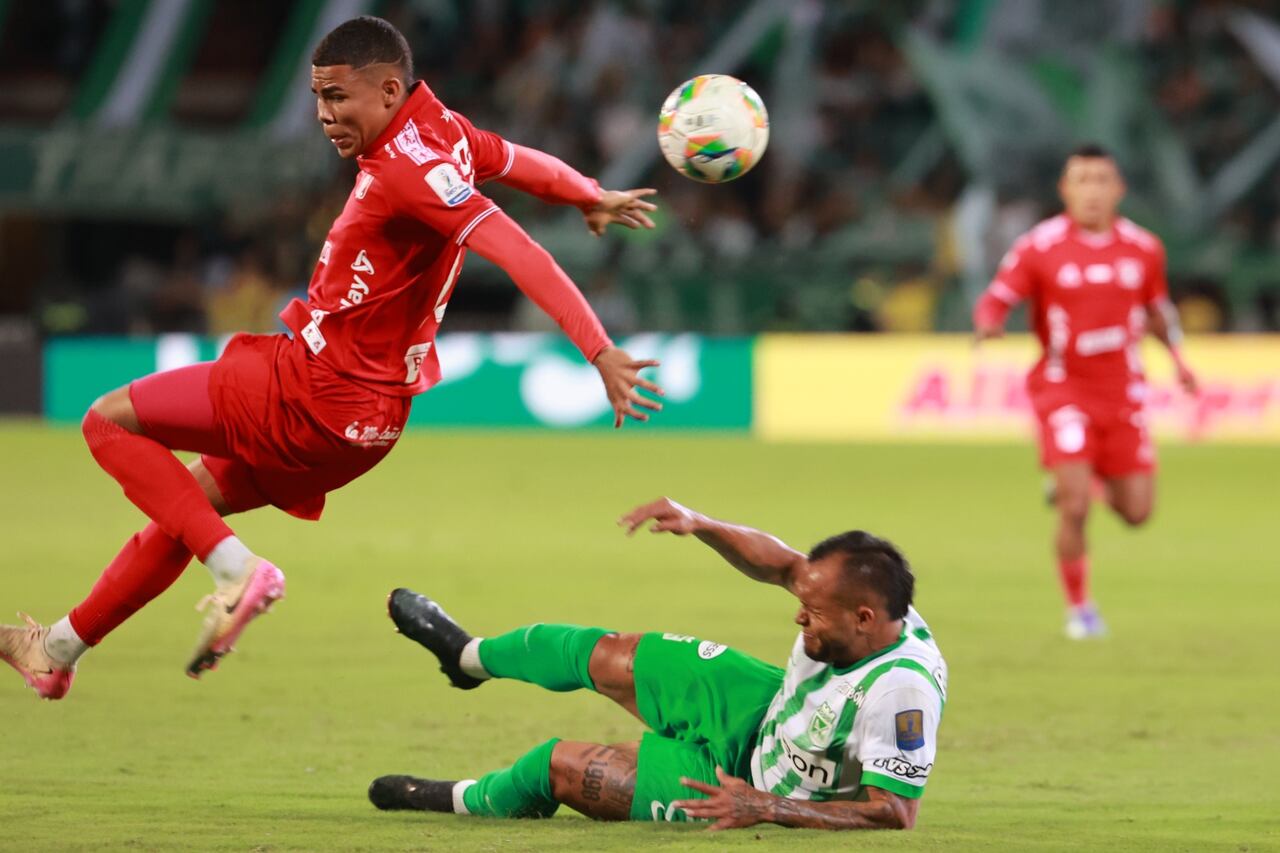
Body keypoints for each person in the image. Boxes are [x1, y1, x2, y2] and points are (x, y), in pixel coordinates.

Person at [0, 16, 665, 700]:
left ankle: (236, 572)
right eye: (318, 99)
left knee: (107, 422)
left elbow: (518, 249)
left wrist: (600, 348)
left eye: (338, 98)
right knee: (183, 508)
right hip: (366, 429)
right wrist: (590, 192)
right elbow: (523, 162)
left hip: (311, 392)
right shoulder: (449, 134)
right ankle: (55, 649)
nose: (324, 115)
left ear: (386, 89)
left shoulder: (412, 168)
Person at [369, 497, 947, 831]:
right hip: (763, 709)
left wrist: (764, 805)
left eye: (813, 613)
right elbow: (782, 565)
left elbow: (895, 812)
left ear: (866, 619)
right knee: (610, 652)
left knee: (559, 766)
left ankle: (453, 798)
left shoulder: (901, 692)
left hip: (756, 786)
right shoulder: (858, 597)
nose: (799, 616)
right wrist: (704, 524)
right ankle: (466, 658)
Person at [973, 144, 1197, 639]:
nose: (1092, 191)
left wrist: (1179, 361)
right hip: (1063, 389)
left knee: (1137, 512)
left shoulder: (1144, 248)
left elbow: (1159, 310)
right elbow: (997, 296)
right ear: (1065, 190)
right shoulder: (1039, 246)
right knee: (1074, 507)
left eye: (1102, 180)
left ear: (1119, 190)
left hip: (1123, 394)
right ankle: (1080, 609)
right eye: (1082, 180)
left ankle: (1083, 477)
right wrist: (988, 324)